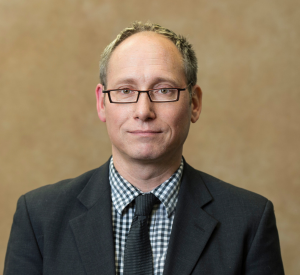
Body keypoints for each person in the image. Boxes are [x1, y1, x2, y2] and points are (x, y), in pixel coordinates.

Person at [4, 21, 284, 275]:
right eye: (125, 90)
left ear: (194, 104)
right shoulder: (38, 217)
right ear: (102, 103)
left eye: (163, 90)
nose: (143, 111)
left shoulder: (249, 220)